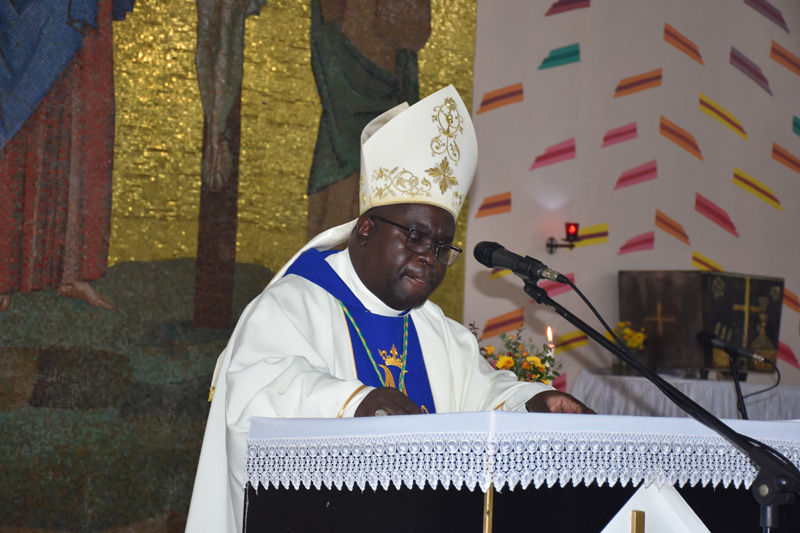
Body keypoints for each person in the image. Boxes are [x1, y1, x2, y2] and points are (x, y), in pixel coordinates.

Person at [186, 85, 593, 532]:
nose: (428, 257)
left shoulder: (432, 329)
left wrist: (534, 401)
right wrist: (355, 402)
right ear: (364, 229)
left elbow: (483, 396)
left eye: (441, 246)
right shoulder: (293, 304)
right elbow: (257, 395)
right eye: (415, 236)